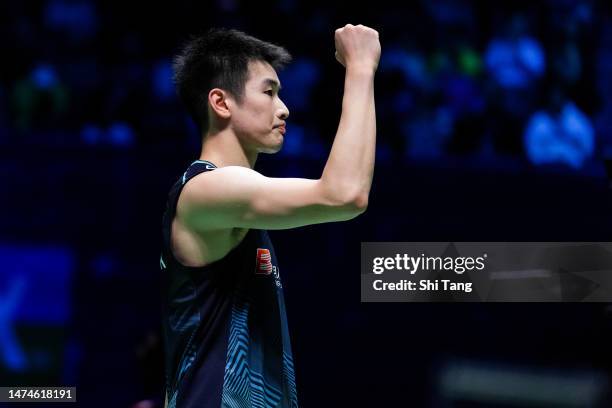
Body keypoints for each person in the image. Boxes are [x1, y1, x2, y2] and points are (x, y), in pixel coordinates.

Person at [160, 24, 380, 408]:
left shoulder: (236, 204)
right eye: (269, 91)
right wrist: (360, 67)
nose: (284, 108)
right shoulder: (205, 191)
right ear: (221, 103)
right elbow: (345, 194)